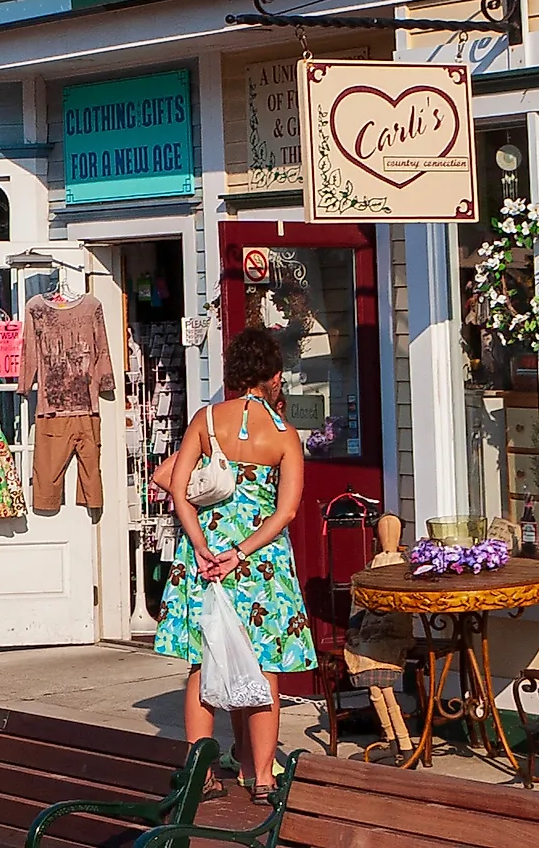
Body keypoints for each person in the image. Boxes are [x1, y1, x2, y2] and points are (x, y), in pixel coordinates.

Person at [153, 329, 312, 804]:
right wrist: (240, 552)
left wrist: (201, 544)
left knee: (203, 663)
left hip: (203, 558)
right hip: (259, 561)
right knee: (265, 667)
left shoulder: (206, 419)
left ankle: (202, 776)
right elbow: (286, 512)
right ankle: (262, 777)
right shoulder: (284, 435)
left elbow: (177, 488)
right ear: (274, 376)